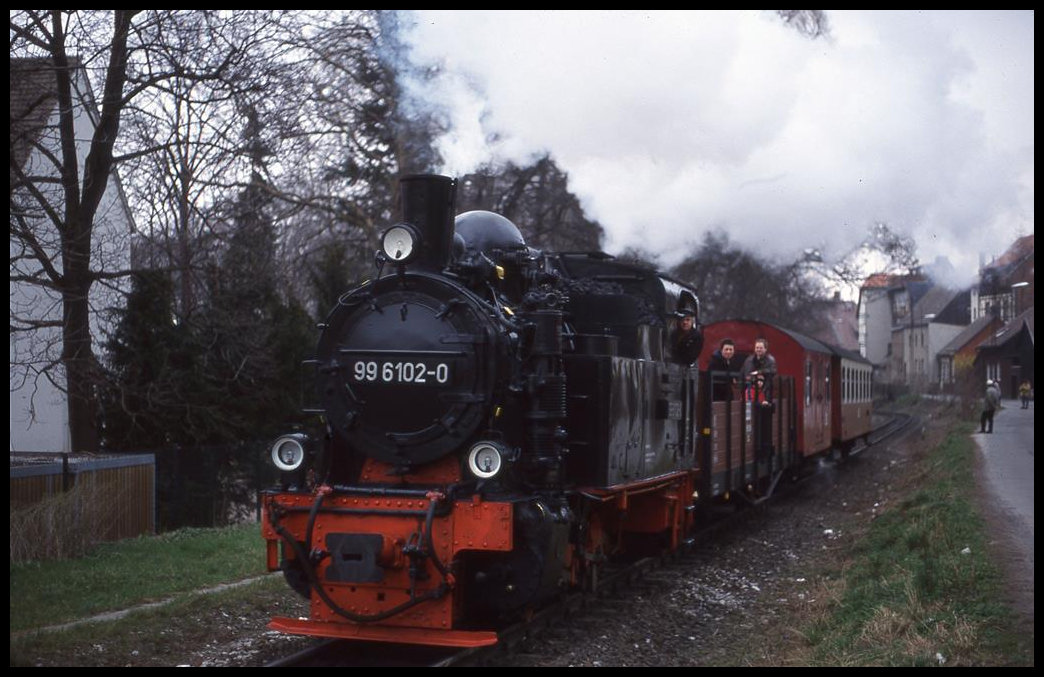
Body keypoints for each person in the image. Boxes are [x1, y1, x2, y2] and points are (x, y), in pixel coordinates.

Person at [741, 337, 777, 402]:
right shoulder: (749, 360)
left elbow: (772, 371)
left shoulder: (770, 360)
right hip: (751, 388)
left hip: (765, 388)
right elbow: (746, 374)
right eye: (757, 348)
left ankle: (766, 400)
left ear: (765, 349)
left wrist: (759, 372)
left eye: (761, 348)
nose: (758, 349)